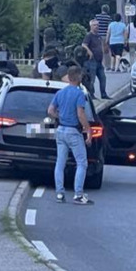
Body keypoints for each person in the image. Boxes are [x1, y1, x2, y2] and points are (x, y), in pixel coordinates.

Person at [47, 66, 94, 205]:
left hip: (61, 130)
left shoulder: (60, 92)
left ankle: (60, 193)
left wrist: (59, 116)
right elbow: (80, 114)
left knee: (60, 163)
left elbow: (50, 110)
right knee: (81, 162)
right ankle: (78, 194)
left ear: (68, 76)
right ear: (79, 77)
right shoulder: (79, 94)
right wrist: (88, 130)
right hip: (73, 131)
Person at [81, 19, 109, 99]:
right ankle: (91, 95)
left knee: (103, 78)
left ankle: (103, 94)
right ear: (91, 26)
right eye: (94, 25)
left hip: (99, 61)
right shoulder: (89, 35)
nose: (96, 26)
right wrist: (89, 52)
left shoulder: (99, 36)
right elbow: (84, 44)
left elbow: (101, 47)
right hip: (91, 61)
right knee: (91, 79)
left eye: (97, 25)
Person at [95, 4, 113, 69]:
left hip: (98, 36)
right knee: (106, 51)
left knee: (99, 50)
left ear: (102, 9)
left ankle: (100, 64)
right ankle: (107, 65)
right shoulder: (108, 18)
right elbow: (109, 28)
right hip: (105, 36)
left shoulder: (97, 17)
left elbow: (94, 25)